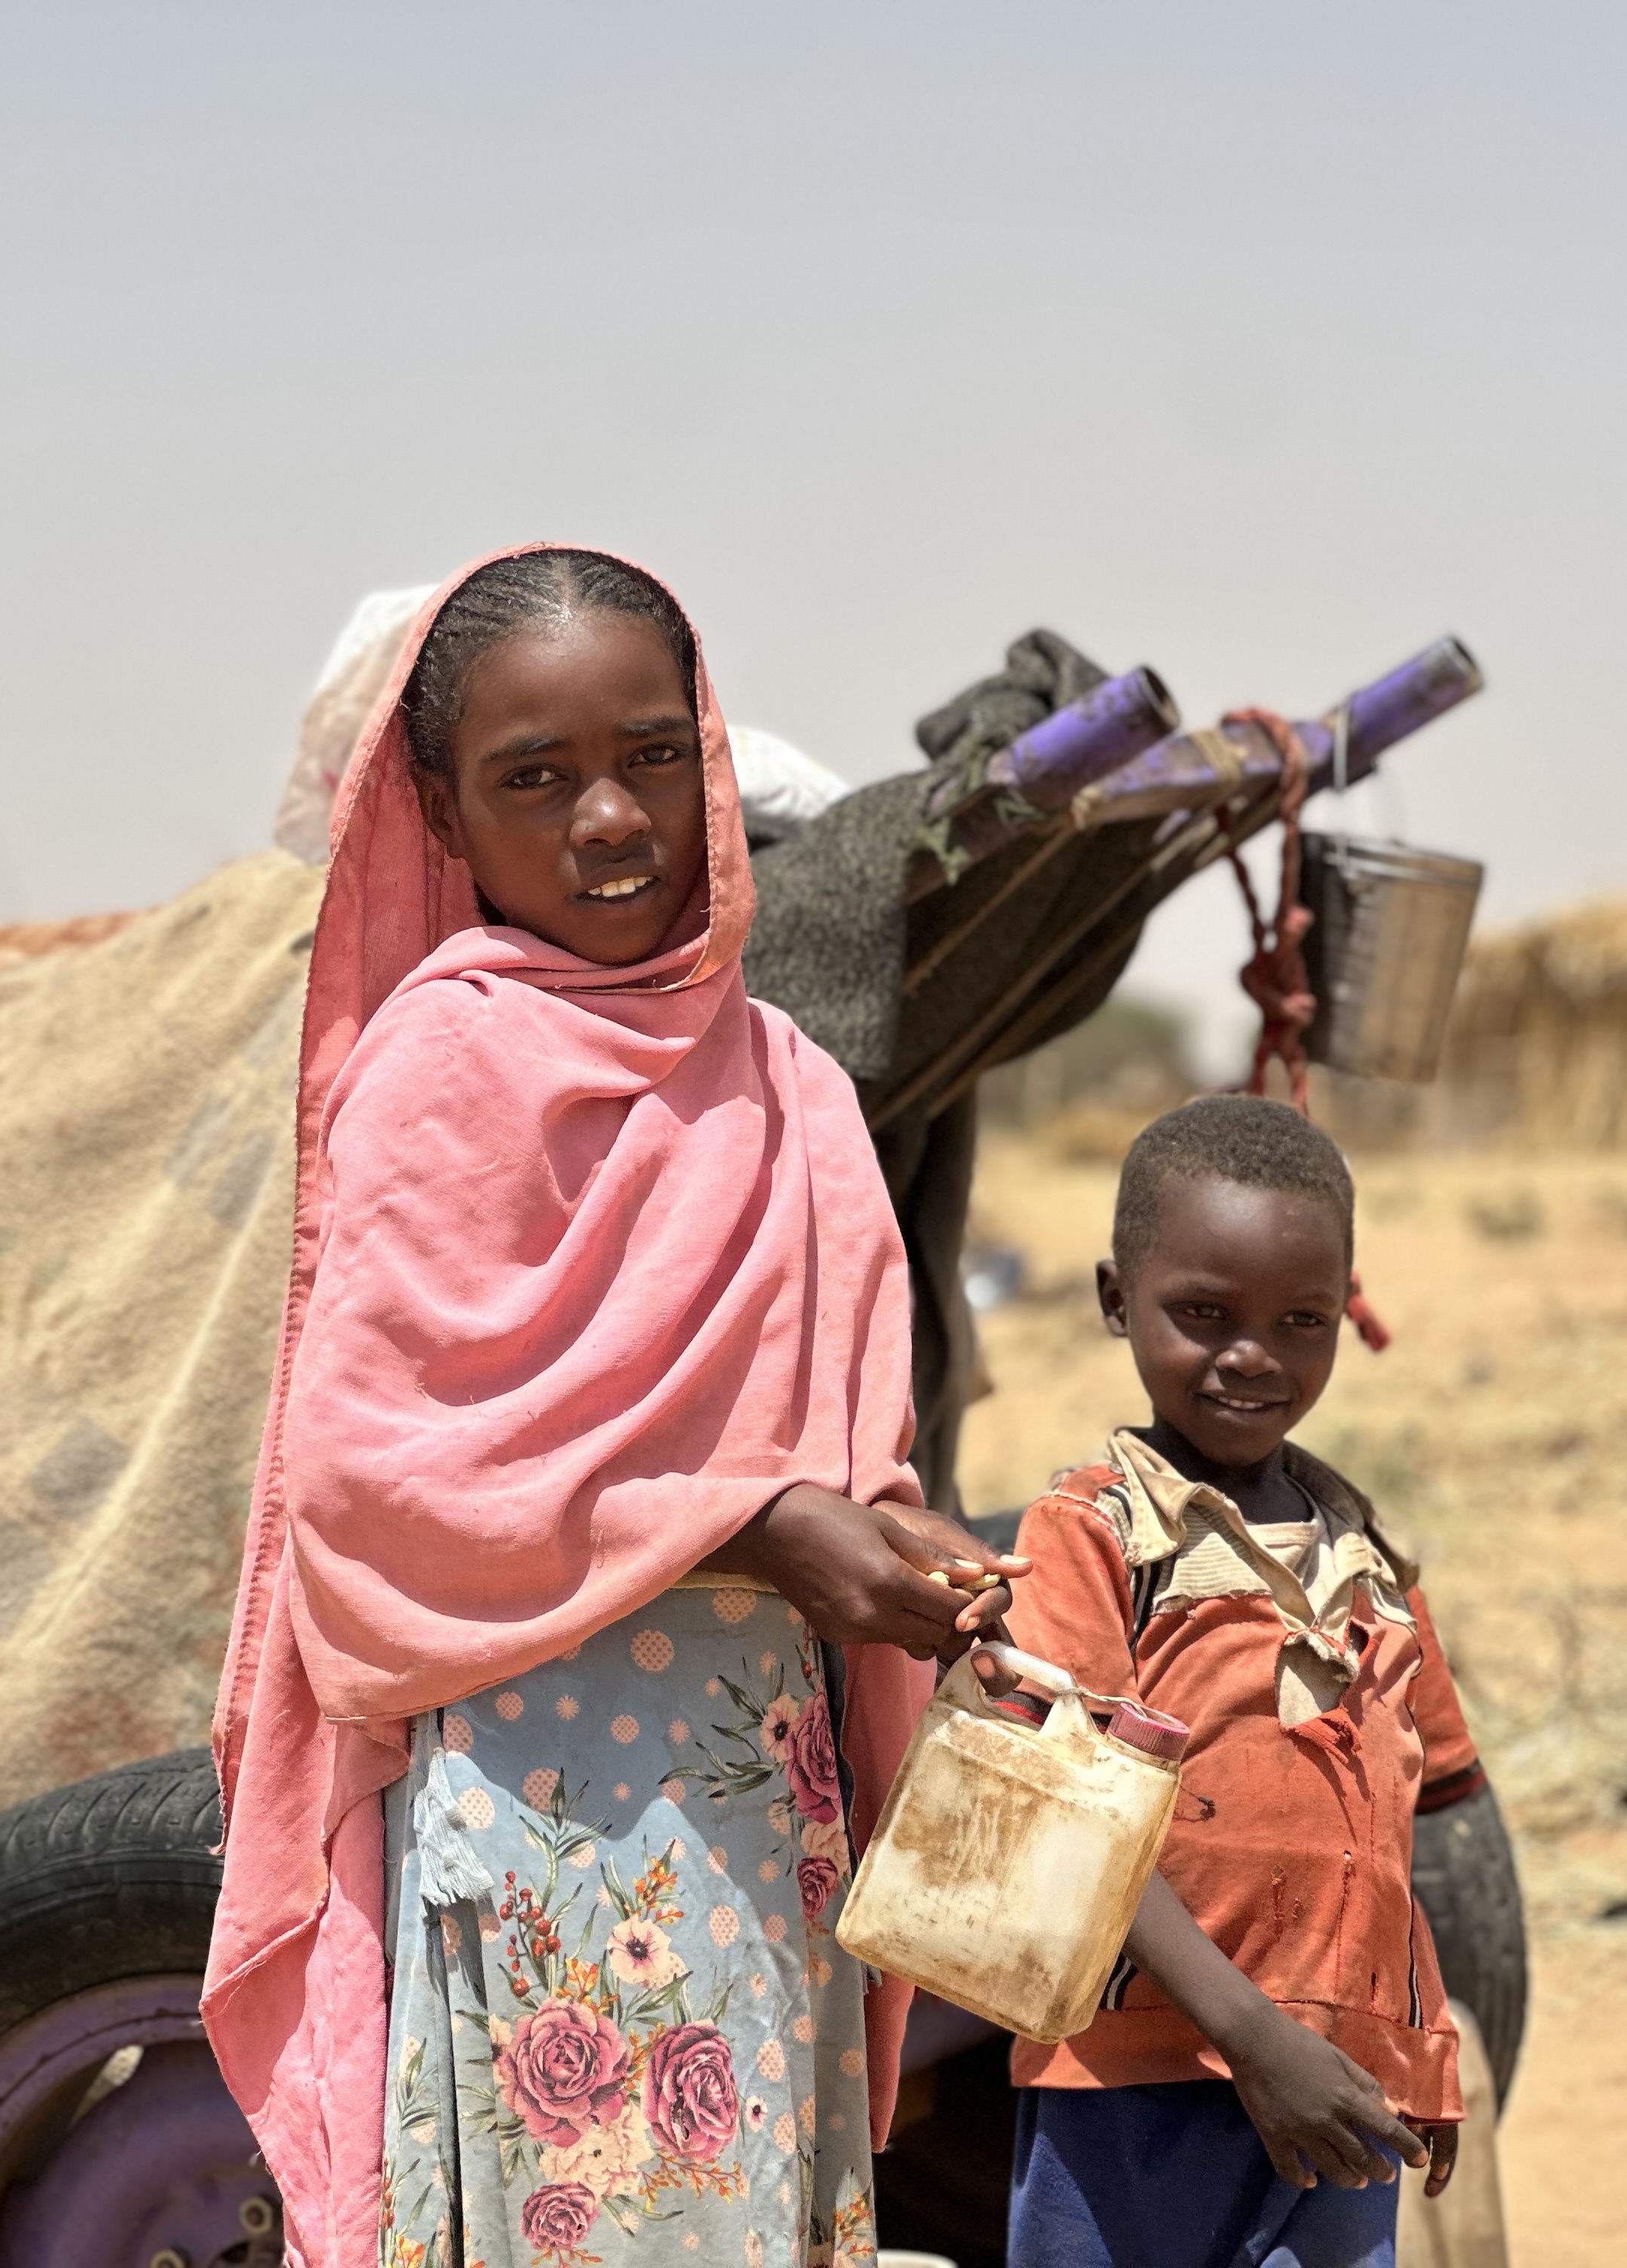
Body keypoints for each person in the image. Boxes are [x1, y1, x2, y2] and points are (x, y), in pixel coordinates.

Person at [203, 544, 1029, 2268]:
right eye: (534, 778)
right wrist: (750, 1528)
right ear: (442, 808)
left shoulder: (788, 1081)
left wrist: (898, 1544)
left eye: (651, 755)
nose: (608, 819)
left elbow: (843, 1444)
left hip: (767, 1813)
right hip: (553, 1822)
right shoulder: (437, 1071)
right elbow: (370, 1499)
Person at [1002, 1096, 1481, 2268]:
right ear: (1118, 1299)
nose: (1252, 1356)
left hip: (1339, 2094)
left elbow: (1392, 1840)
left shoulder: (1372, 1563)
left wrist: (1420, 2049)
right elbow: (1069, 1815)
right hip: (1133, 2077)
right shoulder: (1094, 1536)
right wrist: (1253, 2041)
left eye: (1300, 1321)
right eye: (1204, 1315)